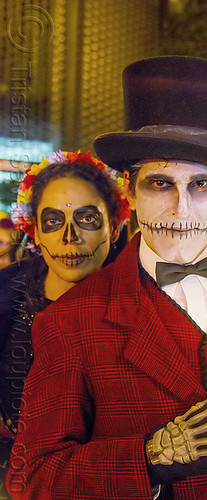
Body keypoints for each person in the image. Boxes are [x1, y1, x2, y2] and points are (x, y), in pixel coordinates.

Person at [7, 57, 207, 499]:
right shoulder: (70, 323)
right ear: (130, 191)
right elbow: (33, 477)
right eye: (160, 184)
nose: (181, 210)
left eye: (199, 186)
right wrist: (152, 458)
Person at [0, 150, 130, 498]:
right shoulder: (5, 297)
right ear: (35, 232)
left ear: (114, 227)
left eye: (87, 219)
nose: (69, 238)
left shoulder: (140, 307)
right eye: (54, 221)